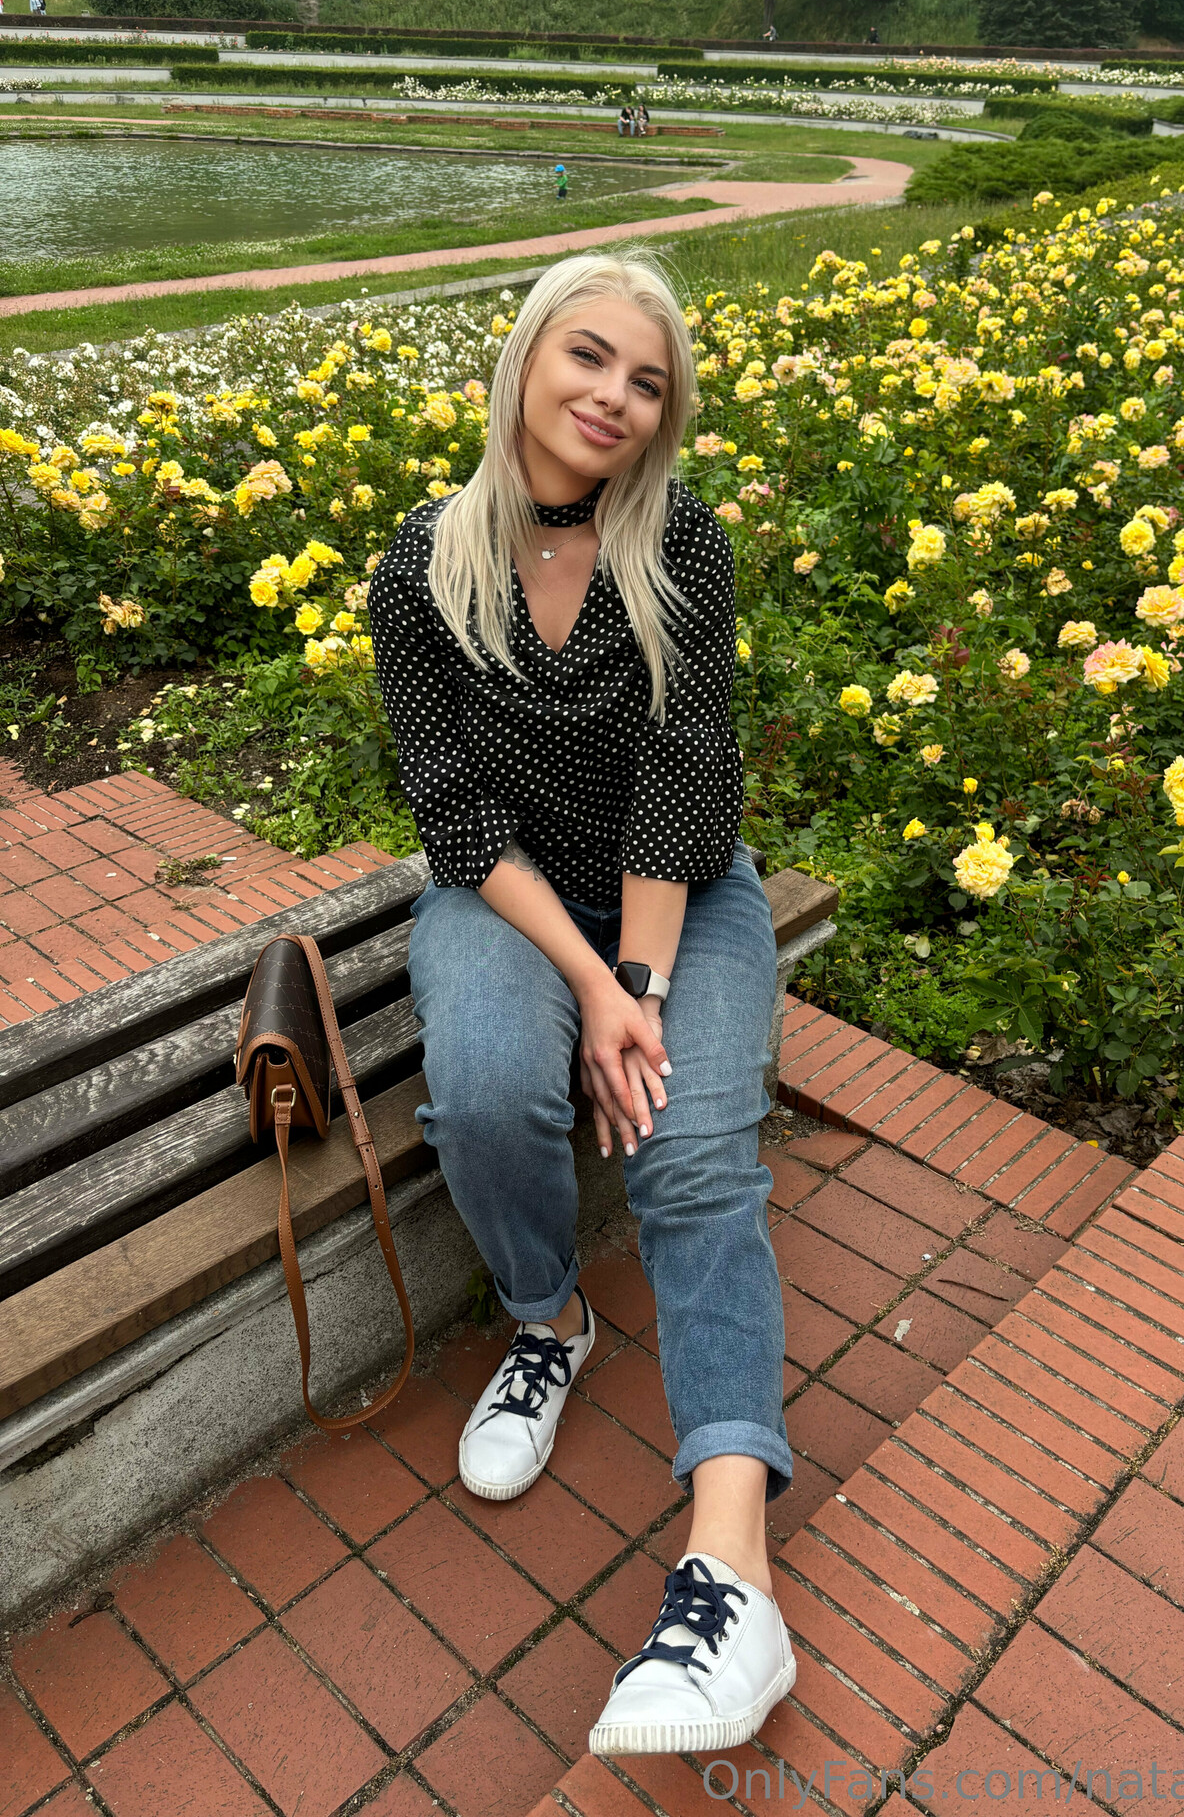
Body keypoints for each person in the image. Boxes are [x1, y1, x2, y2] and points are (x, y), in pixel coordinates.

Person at [369, 250, 795, 1759]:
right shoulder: (424, 565)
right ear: (527, 361)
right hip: (509, 895)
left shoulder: (681, 549)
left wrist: (641, 991)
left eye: (649, 381)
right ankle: (548, 1322)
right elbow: (453, 810)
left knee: (690, 1150)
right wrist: (584, 979)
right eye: (589, 356)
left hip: (681, 897)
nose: (615, 396)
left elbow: (685, 785)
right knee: (491, 1089)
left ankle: (732, 1573)